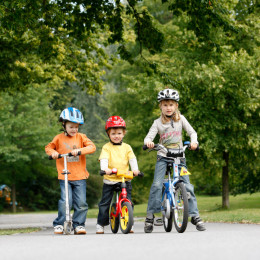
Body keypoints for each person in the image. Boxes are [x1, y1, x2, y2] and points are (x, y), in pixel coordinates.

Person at [144, 88, 206, 233]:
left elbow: (192, 132)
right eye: (165, 105)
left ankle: (194, 215)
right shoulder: (157, 122)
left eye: (171, 104)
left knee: (188, 186)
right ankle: (150, 216)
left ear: (176, 106)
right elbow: (148, 137)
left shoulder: (181, 119)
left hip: (179, 157)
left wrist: (194, 142)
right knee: (158, 185)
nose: (168, 108)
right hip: (163, 157)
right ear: (160, 106)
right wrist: (149, 143)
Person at [45, 107, 96, 235]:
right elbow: (48, 147)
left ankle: (79, 224)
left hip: (79, 176)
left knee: (81, 203)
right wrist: (54, 153)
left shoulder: (81, 137)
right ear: (64, 124)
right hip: (64, 176)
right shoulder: (58, 138)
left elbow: (92, 147)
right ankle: (59, 224)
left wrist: (79, 151)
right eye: (71, 127)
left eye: (76, 127)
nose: (74, 129)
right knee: (65, 201)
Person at [96, 116, 140, 234]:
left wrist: (135, 170)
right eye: (113, 133)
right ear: (108, 134)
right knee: (105, 203)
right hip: (110, 179)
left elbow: (132, 159)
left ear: (124, 133)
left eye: (119, 133)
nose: (116, 136)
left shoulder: (127, 147)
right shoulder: (106, 147)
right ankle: (101, 224)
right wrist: (105, 169)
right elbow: (104, 159)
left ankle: (129, 222)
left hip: (124, 179)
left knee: (129, 200)